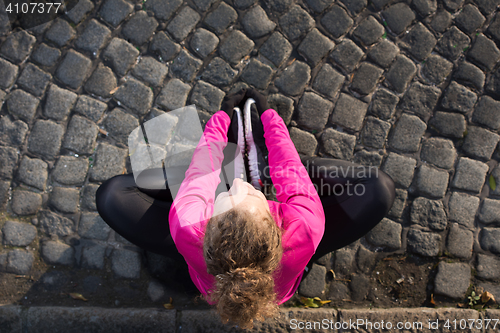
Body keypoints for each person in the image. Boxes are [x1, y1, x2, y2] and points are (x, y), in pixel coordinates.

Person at [96, 88, 396, 329]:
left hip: (200, 248)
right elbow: (290, 169)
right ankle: (260, 173)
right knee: (379, 189)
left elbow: (203, 166)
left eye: (226, 195)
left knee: (112, 196)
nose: (239, 186)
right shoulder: (303, 226)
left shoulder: (189, 225)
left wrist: (222, 117)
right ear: (275, 220)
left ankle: (237, 167)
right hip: (292, 251)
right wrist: (268, 116)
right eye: (250, 194)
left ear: (207, 224)